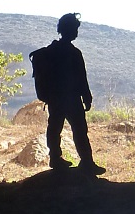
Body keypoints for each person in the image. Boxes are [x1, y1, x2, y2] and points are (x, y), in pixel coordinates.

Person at [36, 13, 105, 175]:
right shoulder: (74, 53)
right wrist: (86, 97)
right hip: (71, 99)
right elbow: (81, 77)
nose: (76, 32)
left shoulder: (50, 52)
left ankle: (55, 158)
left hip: (55, 99)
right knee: (80, 129)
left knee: (54, 127)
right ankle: (87, 162)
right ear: (69, 29)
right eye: (75, 28)